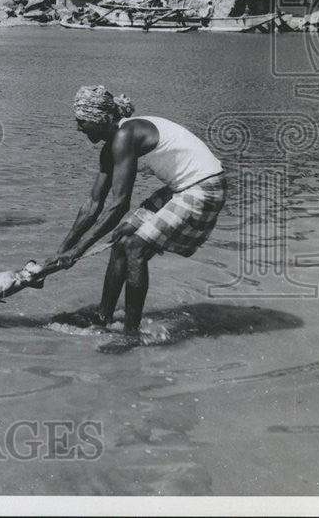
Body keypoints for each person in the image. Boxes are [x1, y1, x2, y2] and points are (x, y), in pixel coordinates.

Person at [44, 85, 226, 343]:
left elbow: (119, 205)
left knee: (134, 246)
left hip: (205, 188)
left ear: (98, 118)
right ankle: (102, 319)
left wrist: (79, 250)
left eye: (81, 122)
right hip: (181, 188)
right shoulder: (112, 145)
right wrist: (63, 250)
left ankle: (131, 335)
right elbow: (93, 203)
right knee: (121, 238)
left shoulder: (125, 136)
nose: (78, 128)